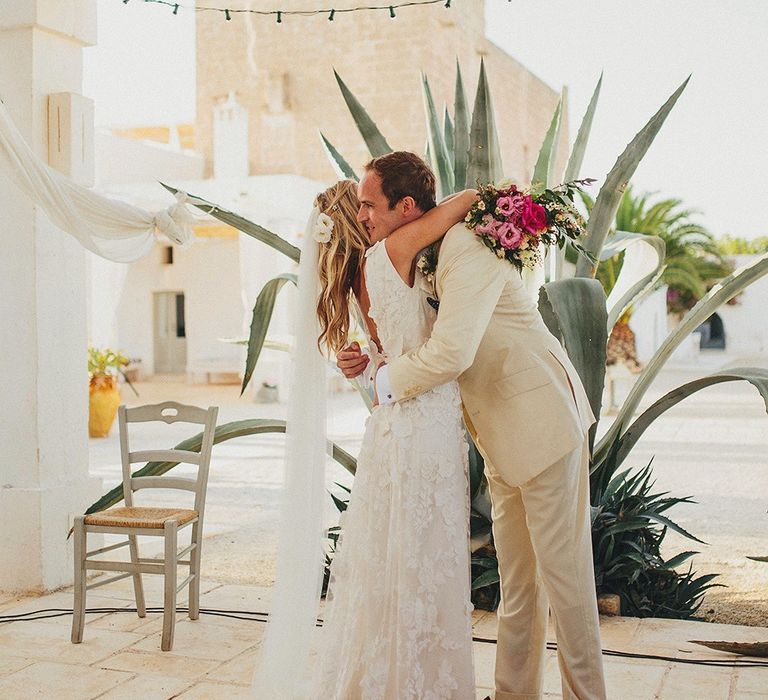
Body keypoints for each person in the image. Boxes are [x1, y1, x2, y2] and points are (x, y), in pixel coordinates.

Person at [339, 152, 607, 700]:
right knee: (519, 584)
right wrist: (368, 362)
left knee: (568, 585)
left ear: (405, 207)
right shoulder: (431, 252)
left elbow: (453, 353)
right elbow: (417, 338)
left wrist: (384, 386)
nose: (361, 214)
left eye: (369, 204)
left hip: (543, 424)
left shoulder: (466, 248)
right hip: (501, 438)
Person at [256, 162, 479, 699]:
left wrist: (367, 361)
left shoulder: (356, 287)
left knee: (386, 562)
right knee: (427, 559)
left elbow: (382, 360)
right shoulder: (393, 254)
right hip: (426, 426)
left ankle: (377, 678)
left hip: (386, 430)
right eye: (361, 207)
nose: (366, 213)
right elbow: (465, 200)